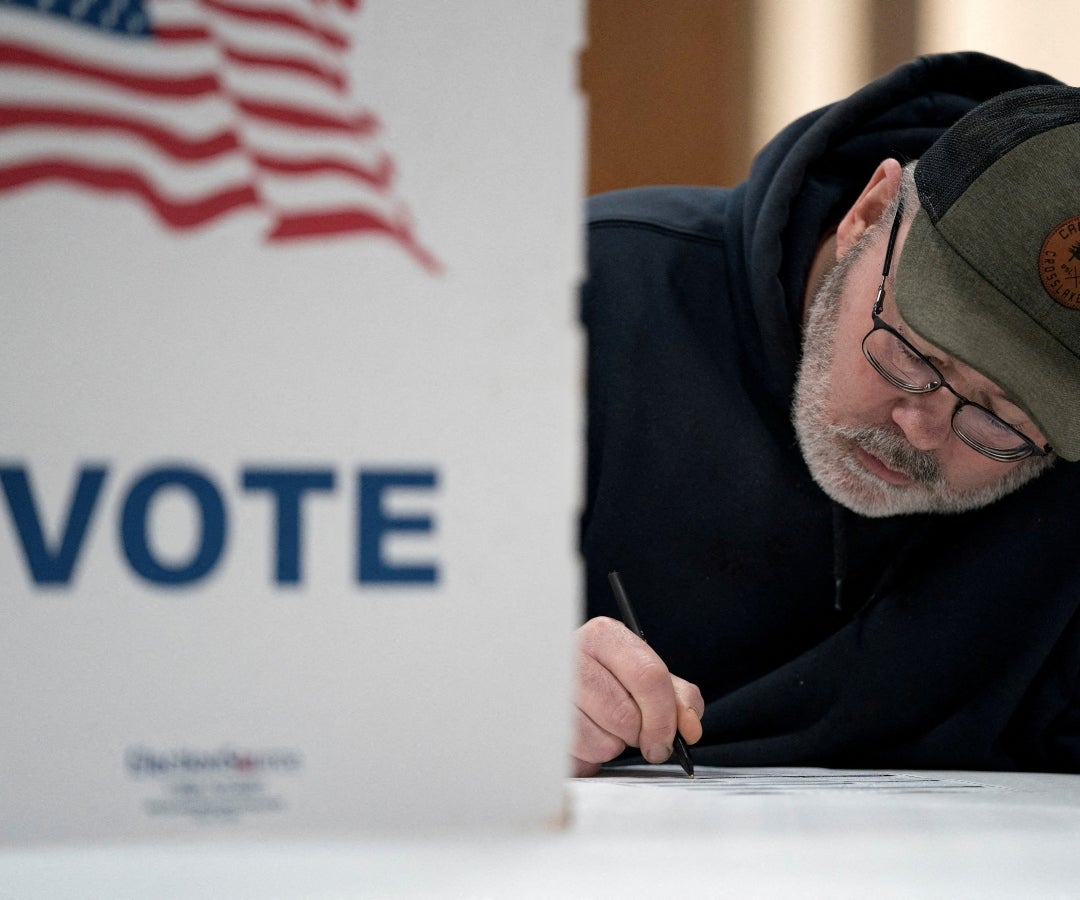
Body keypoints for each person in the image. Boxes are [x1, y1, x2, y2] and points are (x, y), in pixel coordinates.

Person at [573, 51, 1080, 777]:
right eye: (911, 354)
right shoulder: (581, 305)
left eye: (1003, 420)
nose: (921, 428)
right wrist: (488, 689)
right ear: (867, 214)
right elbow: (363, 647)